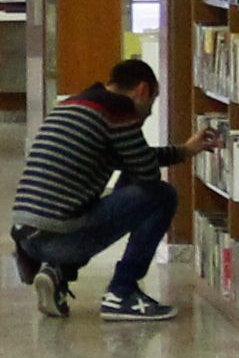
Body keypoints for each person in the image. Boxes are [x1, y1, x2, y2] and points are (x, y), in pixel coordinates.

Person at [9, 57, 180, 321]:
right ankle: (122, 293)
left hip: (27, 239)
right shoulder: (119, 110)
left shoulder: (75, 104)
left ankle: (57, 273)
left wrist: (185, 151)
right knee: (163, 195)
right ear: (142, 90)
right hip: (60, 238)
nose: (149, 112)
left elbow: (131, 159)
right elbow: (147, 173)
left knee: (118, 186)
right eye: (152, 102)